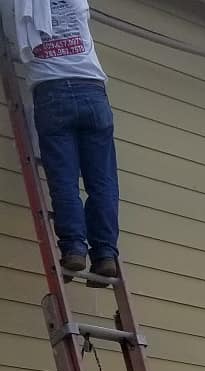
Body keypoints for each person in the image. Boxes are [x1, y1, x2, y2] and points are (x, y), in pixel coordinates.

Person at [3, 0, 119, 284]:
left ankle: (74, 248)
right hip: (92, 90)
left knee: (64, 179)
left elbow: (11, 38)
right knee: (102, 181)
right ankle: (104, 254)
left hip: (52, 91)